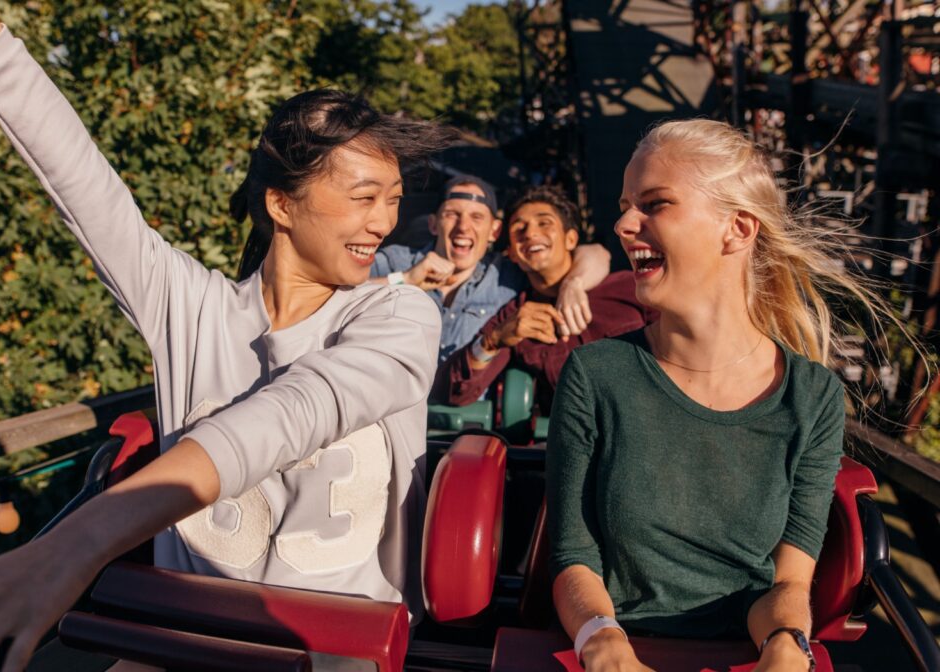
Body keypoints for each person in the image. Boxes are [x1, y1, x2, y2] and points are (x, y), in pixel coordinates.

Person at [0, 4, 455, 672]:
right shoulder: (189, 309)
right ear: (282, 205)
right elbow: (76, 178)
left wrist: (73, 543)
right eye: (364, 197)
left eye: (393, 198)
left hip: (329, 654)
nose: (384, 223)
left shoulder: (399, 318)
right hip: (180, 643)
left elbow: (296, 411)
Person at [547, 119, 874, 672]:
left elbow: (788, 580)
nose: (624, 223)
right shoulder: (596, 373)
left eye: (655, 203)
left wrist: (785, 646)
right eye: (627, 205)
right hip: (615, 646)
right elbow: (572, 556)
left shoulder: (811, 396)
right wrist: (605, 645)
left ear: (737, 229)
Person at [435, 186, 654, 414]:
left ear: (571, 239)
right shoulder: (515, 314)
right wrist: (494, 340)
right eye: (519, 227)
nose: (530, 233)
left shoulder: (629, 287)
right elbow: (455, 393)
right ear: (512, 252)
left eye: (544, 223)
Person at [370, 175, 613, 364]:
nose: (463, 227)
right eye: (452, 214)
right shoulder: (397, 262)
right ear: (434, 224)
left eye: (477, 217)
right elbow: (338, 290)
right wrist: (404, 280)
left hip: (467, 418)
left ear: (494, 231)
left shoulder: (506, 275)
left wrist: (574, 283)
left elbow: (598, 254)